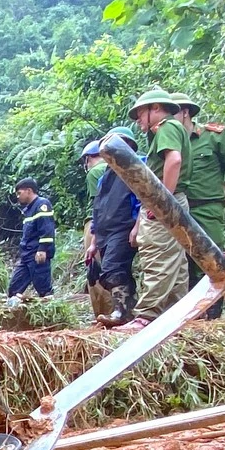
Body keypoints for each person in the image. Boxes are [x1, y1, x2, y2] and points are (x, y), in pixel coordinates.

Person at [121, 87, 191, 330]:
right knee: (175, 261)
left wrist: (163, 200)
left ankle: (146, 315)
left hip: (167, 200)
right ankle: (177, 313)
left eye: (141, 114)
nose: (138, 120)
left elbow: (174, 160)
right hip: (175, 200)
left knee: (157, 256)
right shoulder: (169, 129)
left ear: (156, 109)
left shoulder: (167, 128)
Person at [175, 92, 225, 275]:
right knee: (180, 270)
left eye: (172, 113)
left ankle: (213, 304)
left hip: (206, 210)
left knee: (211, 267)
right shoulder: (167, 141)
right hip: (175, 211)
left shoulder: (213, 137)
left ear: (185, 112)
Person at [80, 130, 139, 326]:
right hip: (105, 231)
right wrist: (94, 242)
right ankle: (129, 310)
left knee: (113, 268)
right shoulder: (104, 177)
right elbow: (98, 209)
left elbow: (143, 198)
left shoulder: (136, 166)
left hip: (124, 227)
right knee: (107, 272)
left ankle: (121, 311)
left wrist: (138, 225)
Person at [6, 179, 55, 298]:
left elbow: (47, 229)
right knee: (14, 289)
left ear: (29, 191)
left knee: (43, 289)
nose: (18, 197)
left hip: (37, 253)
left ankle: (50, 311)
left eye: (19, 193)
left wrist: (42, 249)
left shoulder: (42, 205)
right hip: (27, 255)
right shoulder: (29, 209)